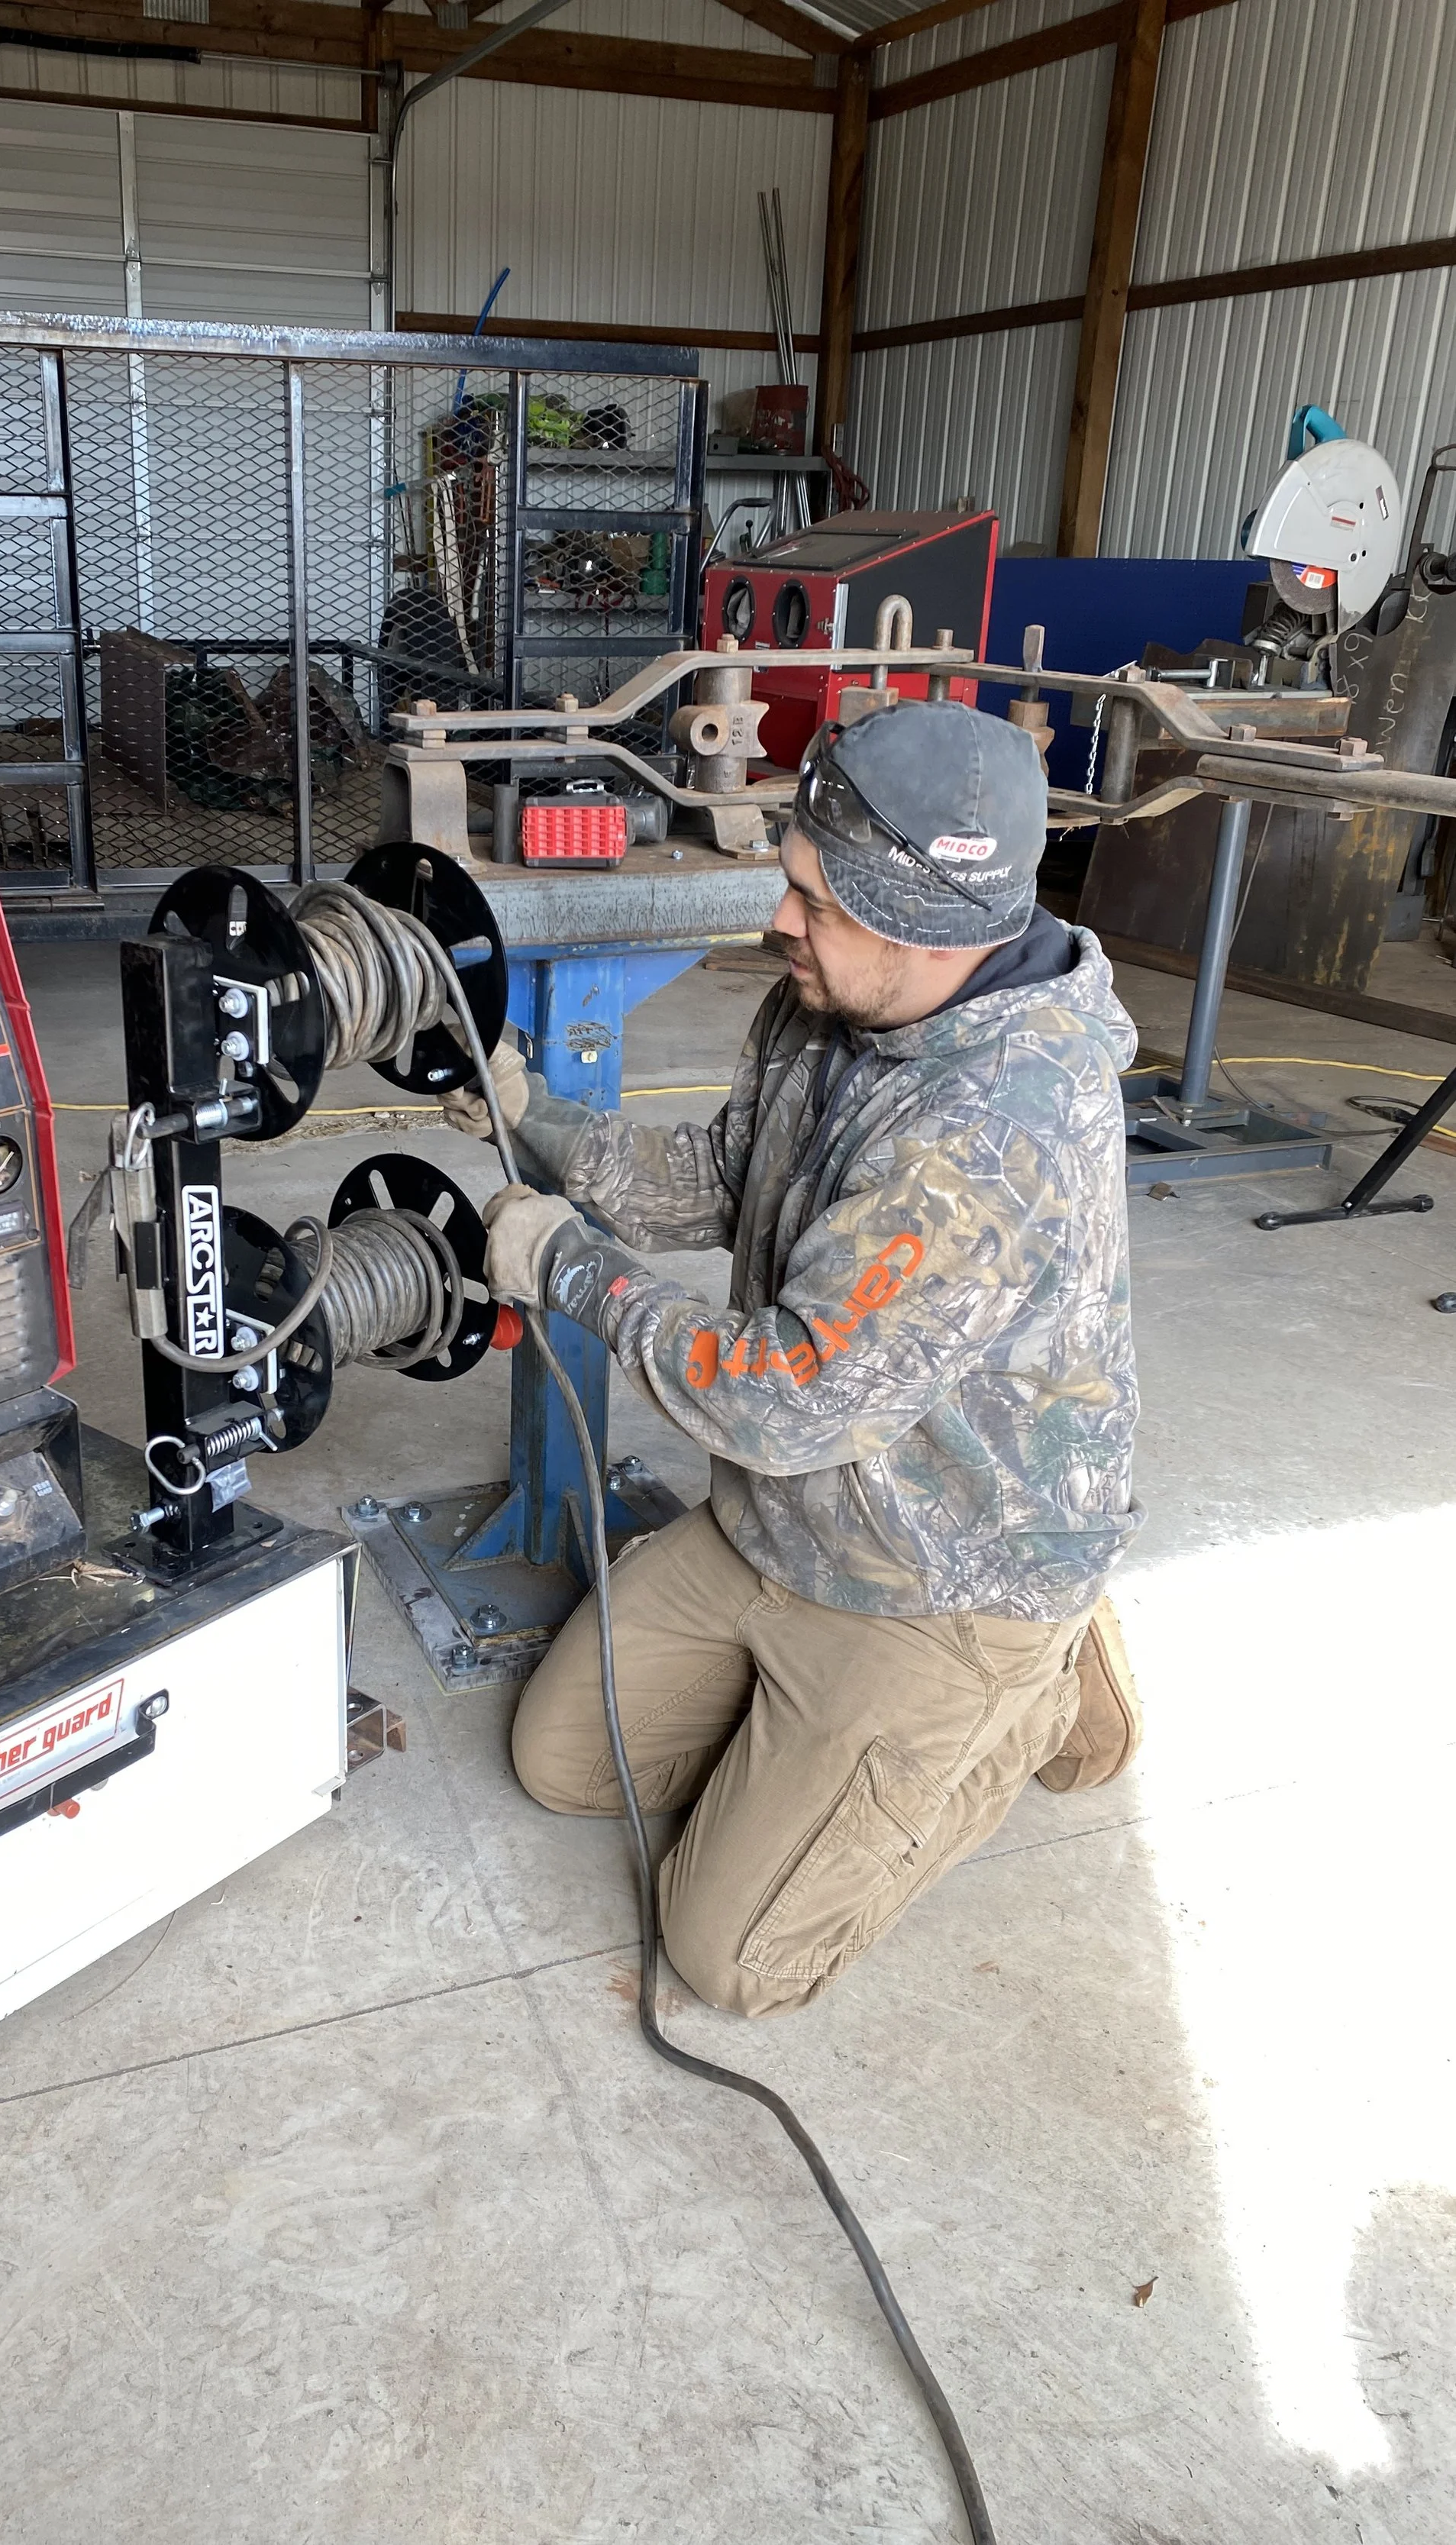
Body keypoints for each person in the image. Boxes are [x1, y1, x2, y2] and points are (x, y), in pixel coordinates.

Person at [442, 700, 1143, 2017]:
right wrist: (531, 1118)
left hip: (947, 1575)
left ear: (924, 924)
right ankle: (829, 1752)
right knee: (560, 1763)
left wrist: (565, 1269)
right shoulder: (830, 1007)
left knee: (732, 1960)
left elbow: (784, 1396)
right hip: (794, 1523)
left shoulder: (993, 1132)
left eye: (813, 902)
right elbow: (721, 1177)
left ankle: (1035, 1683)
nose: (780, 921)